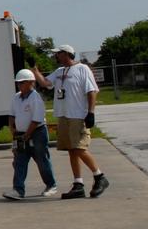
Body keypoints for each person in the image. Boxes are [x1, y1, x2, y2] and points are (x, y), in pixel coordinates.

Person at [33, 44, 108, 199]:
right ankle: (78, 184)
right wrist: (35, 69)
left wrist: (91, 112)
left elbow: (91, 91)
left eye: (58, 53)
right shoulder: (59, 71)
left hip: (77, 116)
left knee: (79, 148)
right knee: (71, 150)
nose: (55, 56)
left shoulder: (82, 69)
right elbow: (45, 83)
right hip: (63, 116)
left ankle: (99, 176)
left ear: (66, 54)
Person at [4, 69, 58, 200]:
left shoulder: (35, 97)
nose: (20, 85)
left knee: (41, 160)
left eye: (22, 82)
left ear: (31, 82)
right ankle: (18, 190)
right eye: (18, 83)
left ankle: (51, 185)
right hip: (21, 134)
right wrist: (13, 131)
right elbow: (11, 115)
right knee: (19, 161)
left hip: (37, 133)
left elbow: (36, 120)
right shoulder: (16, 97)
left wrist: (27, 135)